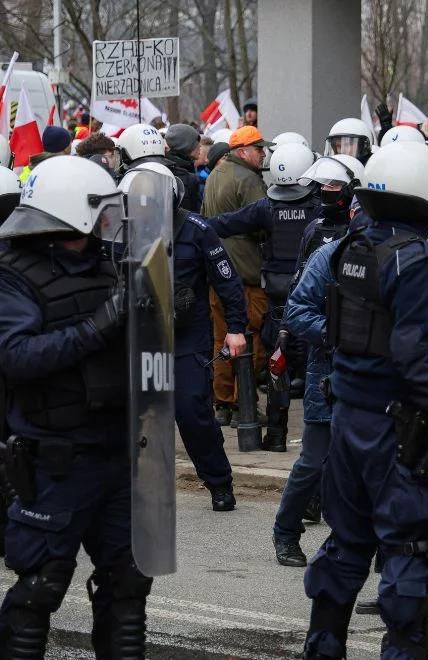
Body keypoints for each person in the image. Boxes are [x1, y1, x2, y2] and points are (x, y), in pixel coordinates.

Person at [303, 142, 428, 659]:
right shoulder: (418, 261)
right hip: (397, 427)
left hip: (349, 416)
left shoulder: (356, 246)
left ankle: (322, 647)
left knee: (347, 542)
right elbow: (415, 353)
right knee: (407, 545)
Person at [0, 156, 154, 656]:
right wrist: (96, 328)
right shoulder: (14, 276)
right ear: (74, 211)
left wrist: (160, 315)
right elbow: (15, 357)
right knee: (40, 588)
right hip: (57, 461)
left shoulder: (112, 263)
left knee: (129, 585)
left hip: (119, 452)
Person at [128, 161, 249, 512]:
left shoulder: (198, 230)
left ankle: (219, 483)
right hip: (140, 335)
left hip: (185, 336)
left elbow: (227, 282)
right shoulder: (124, 229)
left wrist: (236, 328)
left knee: (191, 411)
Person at [272, 155, 367, 567]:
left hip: (372, 379)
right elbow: (296, 309)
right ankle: (286, 532)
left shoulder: (395, 255)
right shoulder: (327, 254)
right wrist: (335, 333)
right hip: (327, 372)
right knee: (313, 460)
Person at [208, 142, 319, 451]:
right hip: (312, 299)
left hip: (277, 300)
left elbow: (226, 223)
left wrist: (189, 223)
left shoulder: (266, 207)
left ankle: (277, 435)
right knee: (314, 366)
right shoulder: (320, 208)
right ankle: (316, 436)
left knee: (276, 365)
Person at [202, 125, 274, 426]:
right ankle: (244, 404)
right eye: (259, 149)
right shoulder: (249, 179)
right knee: (251, 338)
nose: (263, 153)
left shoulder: (216, 175)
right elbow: (263, 223)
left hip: (216, 271)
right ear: (243, 152)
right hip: (245, 273)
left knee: (221, 338)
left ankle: (223, 403)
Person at [164, 124, 205, 212]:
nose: (200, 146)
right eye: (196, 142)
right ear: (186, 146)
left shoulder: (184, 168)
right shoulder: (183, 176)